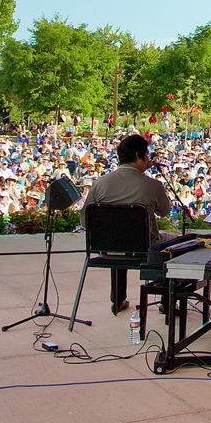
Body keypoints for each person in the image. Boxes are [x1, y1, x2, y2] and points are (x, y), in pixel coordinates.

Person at [82, 133, 172, 315]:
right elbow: (164, 212)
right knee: (173, 244)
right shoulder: (152, 184)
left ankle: (118, 298)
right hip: (145, 248)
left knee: (119, 239)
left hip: (107, 248)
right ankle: (166, 302)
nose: (148, 159)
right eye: (146, 155)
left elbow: (85, 219)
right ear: (139, 156)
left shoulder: (100, 183)